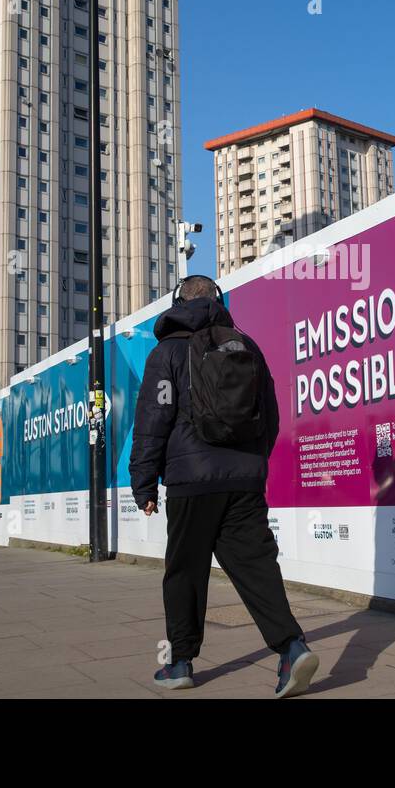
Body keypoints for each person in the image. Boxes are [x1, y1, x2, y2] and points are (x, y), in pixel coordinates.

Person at [129, 274, 317, 697]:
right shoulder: (246, 346)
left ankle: (180, 663)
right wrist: (254, 464)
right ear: (219, 300)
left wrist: (143, 482)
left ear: (178, 301)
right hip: (244, 480)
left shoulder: (167, 352)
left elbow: (152, 420)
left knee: (185, 571)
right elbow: (270, 416)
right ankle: (292, 648)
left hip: (190, 480)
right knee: (256, 567)